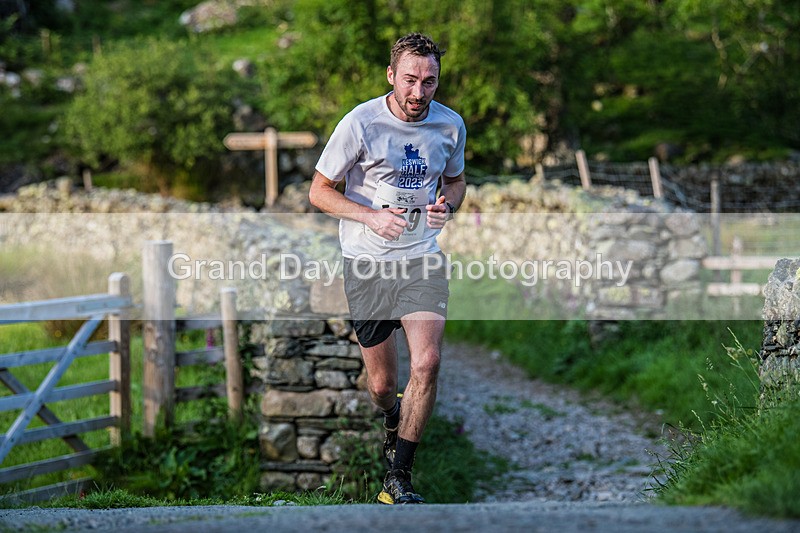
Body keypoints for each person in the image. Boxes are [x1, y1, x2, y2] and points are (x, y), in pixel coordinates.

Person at [308, 32, 466, 505]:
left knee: (428, 362)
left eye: (430, 82)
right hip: (367, 264)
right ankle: (392, 416)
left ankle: (398, 478)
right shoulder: (360, 123)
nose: (419, 92)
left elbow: (456, 182)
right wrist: (371, 217)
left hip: (421, 259)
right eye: (410, 80)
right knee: (382, 386)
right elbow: (319, 191)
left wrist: (447, 206)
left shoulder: (450, 125)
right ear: (391, 75)